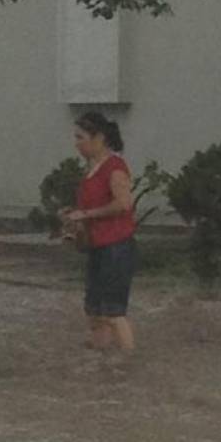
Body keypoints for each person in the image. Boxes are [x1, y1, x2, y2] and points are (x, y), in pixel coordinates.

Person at [62, 112, 137, 353]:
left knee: (114, 312)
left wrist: (85, 215)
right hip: (97, 246)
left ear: (99, 138)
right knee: (94, 311)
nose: (77, 143)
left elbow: (124, 203)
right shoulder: (91, 170)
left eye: (80, 137)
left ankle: (129, 359)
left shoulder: (114, 168)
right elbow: (91, 207)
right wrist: (72, 215)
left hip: (117, 247)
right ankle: (100, 359)